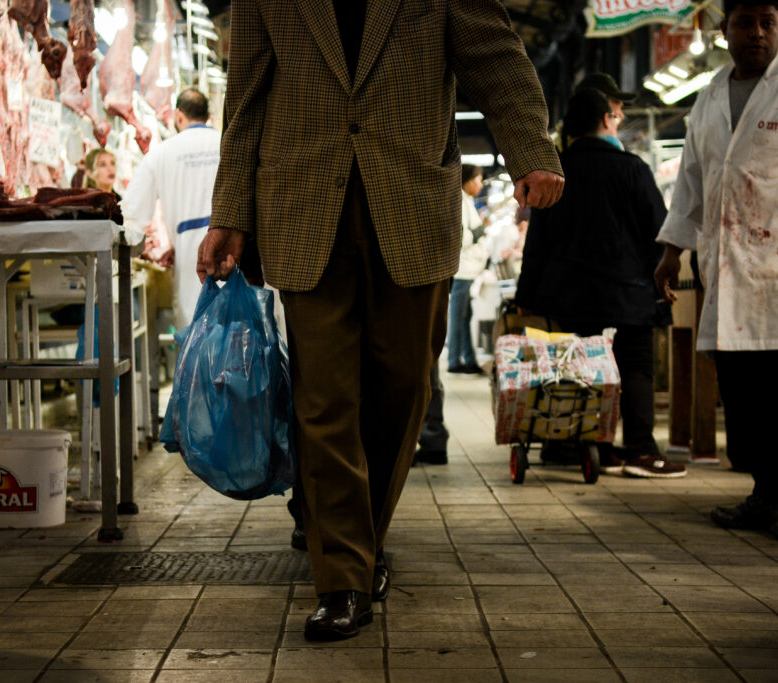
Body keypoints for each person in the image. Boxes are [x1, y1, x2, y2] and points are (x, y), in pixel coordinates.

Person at [197, 1, 564, 641]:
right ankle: (342, 576)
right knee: (323, 397)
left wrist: (531, 148)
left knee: (403, 389)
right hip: (302, 202)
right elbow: (247, 93)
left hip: (411, 200)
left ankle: (357, 536)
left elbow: (496, 55)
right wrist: (230, 209)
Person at [654, 0, 778, 540]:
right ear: (723, 29)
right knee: (743, 392)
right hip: (729, 270)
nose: (759, 33)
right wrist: (673, 250)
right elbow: (691, 178)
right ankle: (763, 492)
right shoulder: (709, 96)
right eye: (746, 22)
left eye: (769, 23)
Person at [517, 88, 685, 479]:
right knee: (636, 367)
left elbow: (538, 241)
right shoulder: (633, 169)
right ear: (606, 119)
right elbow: (658, 231)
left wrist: (528, 293)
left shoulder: (556, 172)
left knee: (580, 369)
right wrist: (658, 278)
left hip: (570, 295)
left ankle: (595, 446)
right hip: (629, 292)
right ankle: (641, 451)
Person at [123, 88, 220, 329]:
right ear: (208, 115)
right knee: (241, 340)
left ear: (178, 116)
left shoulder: (161, 153)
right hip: (235, 247)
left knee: (195, 338)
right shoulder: (226, 142)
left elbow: (132, 214)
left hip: (190, 256)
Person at [448, 165, 489, 374]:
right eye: (479, 180)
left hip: (469, 270)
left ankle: (468, 358)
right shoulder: (460, 203)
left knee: (465, 316)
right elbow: (459, 238)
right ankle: (454, 360)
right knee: (457, 317)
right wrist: (478, 233)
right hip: (463, 270)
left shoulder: (468, 202)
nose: (480, 185)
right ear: (469, 180)